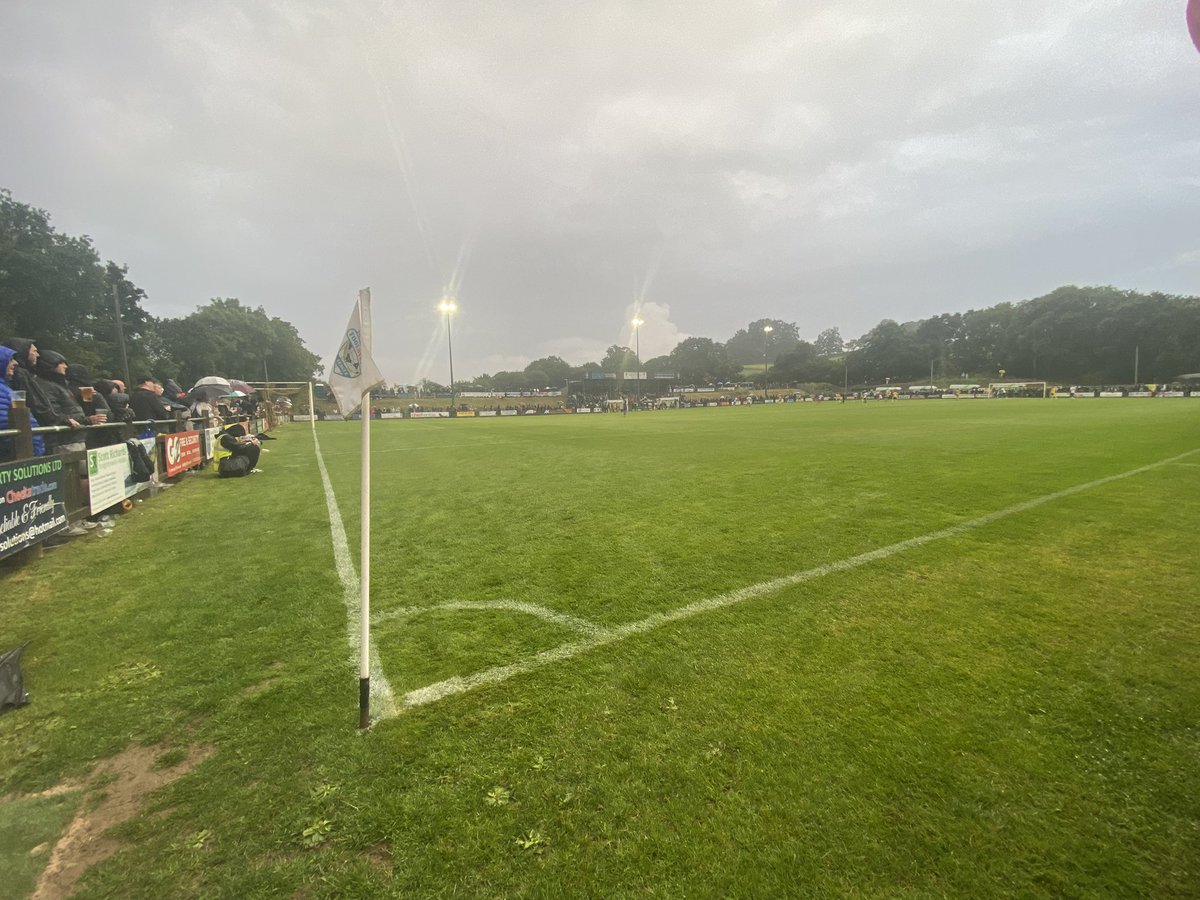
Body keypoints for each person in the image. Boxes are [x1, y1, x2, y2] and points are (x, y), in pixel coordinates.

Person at [0, 345, 46, 459]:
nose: (15, 363)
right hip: (15, 456)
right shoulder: (4, 391)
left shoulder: (6, 388)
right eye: (10, 359)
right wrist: (35, 451)